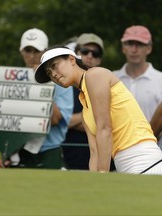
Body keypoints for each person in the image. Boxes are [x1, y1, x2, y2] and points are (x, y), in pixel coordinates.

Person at [34, 46, 162, 175]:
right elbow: (95, 152)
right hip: (129, 168)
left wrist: (102, 176)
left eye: (55, 65)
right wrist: (95, 181)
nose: (54, 74)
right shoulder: (85, 110)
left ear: (71, 59)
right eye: (49, 73)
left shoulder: (94, 75)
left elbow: (105, 128)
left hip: (147, 163)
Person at [0, 28, 73, 169]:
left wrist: (40, 82)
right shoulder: (13, 79)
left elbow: (55, 119)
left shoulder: (62, 81)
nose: (32, 56)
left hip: (49, 150)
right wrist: (6, 153)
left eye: (36, 51)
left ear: (45, 52)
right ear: (21, 52)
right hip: (18, 150)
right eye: (28, 50)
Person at [62, 33, 107, 170]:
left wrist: (73, 120)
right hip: (67, 160)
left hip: (102, 161)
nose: (90, 56)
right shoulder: (64, 85)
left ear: (99, 59)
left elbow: (110, 123)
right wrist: (93, 117)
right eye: (85, 51)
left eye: (95, 53)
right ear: (74, 54)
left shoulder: (106, 84)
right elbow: (60, 121)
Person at [113, 25, 162, 122]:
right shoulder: (111, 78)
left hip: (153, 137)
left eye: (139, 44)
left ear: (149, 48)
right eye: (130, 44)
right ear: (123, 48)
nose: (134, 50)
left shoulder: (160, 80)